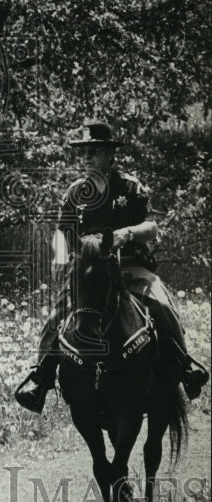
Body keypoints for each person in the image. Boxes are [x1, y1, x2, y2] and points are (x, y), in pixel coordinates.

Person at [15, 122, 208, 413]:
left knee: (162, 305)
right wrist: (59, 256)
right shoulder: (75, 192)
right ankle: (40, 378)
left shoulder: (131, 186)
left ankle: (184, 365)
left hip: (131, 266)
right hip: (89, 272)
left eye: (95, 151)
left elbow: (151, 225)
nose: (88, 157)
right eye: (84, 152)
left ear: (110, 155)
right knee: (55, 315)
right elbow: (61, 231)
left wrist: (127, 233)